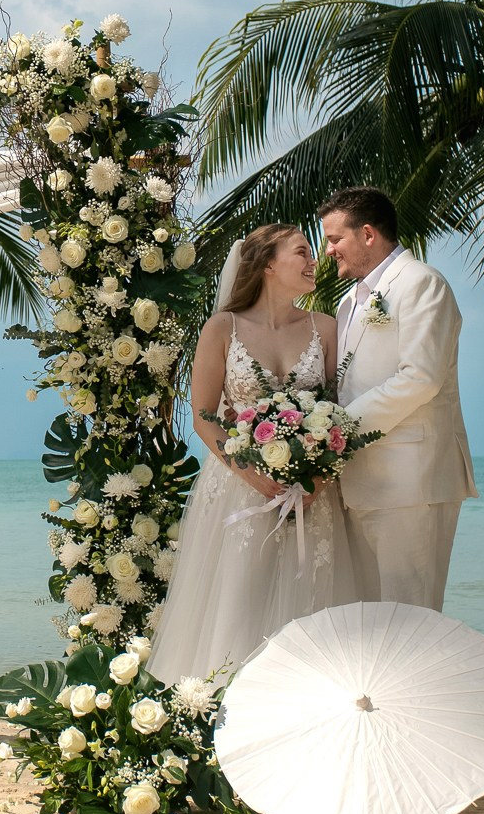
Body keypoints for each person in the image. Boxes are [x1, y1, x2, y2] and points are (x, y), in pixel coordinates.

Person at [148, 223, 353, 682]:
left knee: (308, 603)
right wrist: (252, 476)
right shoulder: (223, 328)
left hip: (310, 494)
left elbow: (340, 416)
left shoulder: (326, 328)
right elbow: (204, 416)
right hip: (237, 488)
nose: (313, 261)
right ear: (267, 264)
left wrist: (316, 480)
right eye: (302, 252)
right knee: (238, 604)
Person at [317, 186, 476, 611]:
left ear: (368, 234)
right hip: (360, 483)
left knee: (411, 620)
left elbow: (420, 378)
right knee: (370, 625)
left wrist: (338, 429)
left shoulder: (422, 284)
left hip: (412, 481)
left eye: (335, 239)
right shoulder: (349, 302)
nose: (327, 250)